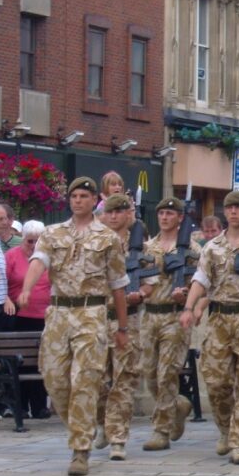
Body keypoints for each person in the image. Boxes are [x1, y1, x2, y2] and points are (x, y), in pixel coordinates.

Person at [18, 176, 130, 476]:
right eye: (74, 196)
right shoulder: (53, 234)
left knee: (85, 379)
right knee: (54, 379)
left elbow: (118, 285)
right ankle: (84, 425)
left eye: (83, 196)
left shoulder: (108, 238)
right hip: (58, 313)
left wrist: (122, 327)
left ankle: (80, 449)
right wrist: (27, 289)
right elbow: (38, 262)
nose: (77, 200)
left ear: (95, 200)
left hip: (91, 313)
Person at [179, 191, 239, 465]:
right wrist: (189, 307)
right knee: (216, 382)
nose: (233, 212)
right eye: (229, 207)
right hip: (220, 319)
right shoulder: (213, 246)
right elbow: (201, 279)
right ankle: (225, 428)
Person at [137, 196, 197, 450]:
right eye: (161, 213)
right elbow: (138, 278)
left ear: (180, 218)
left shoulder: (191, 249)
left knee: (166, 374)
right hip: (150, 315)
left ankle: (161, 429)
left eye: (170, 214)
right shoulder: (146, 248)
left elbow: (200, 282)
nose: (164, 217)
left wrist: (186, 297)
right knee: (149, 373)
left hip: (174, 316)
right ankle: (178, 406)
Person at [92, 193, 145, 460]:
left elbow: (151, 277)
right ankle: (103, 422)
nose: (113, 217)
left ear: (128, 215)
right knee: (99, 379)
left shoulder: (139, 247)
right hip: (101, 316)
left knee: (124, 379)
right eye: (109, 212)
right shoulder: (95, 244)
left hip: (129, 319)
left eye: (119, 212)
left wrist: (142, 293)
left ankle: (118, 438)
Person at [5, 220, 51, 419]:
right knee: (21, 362)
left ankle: (40, 405)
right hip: (20, 315)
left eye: (37, 242)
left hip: (45, 315)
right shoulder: (12, 256)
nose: (33, 246)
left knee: (41, 362)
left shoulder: (48, 258)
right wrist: (8, 299)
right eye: (30, 241)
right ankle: (20, 405)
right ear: (22, 239)